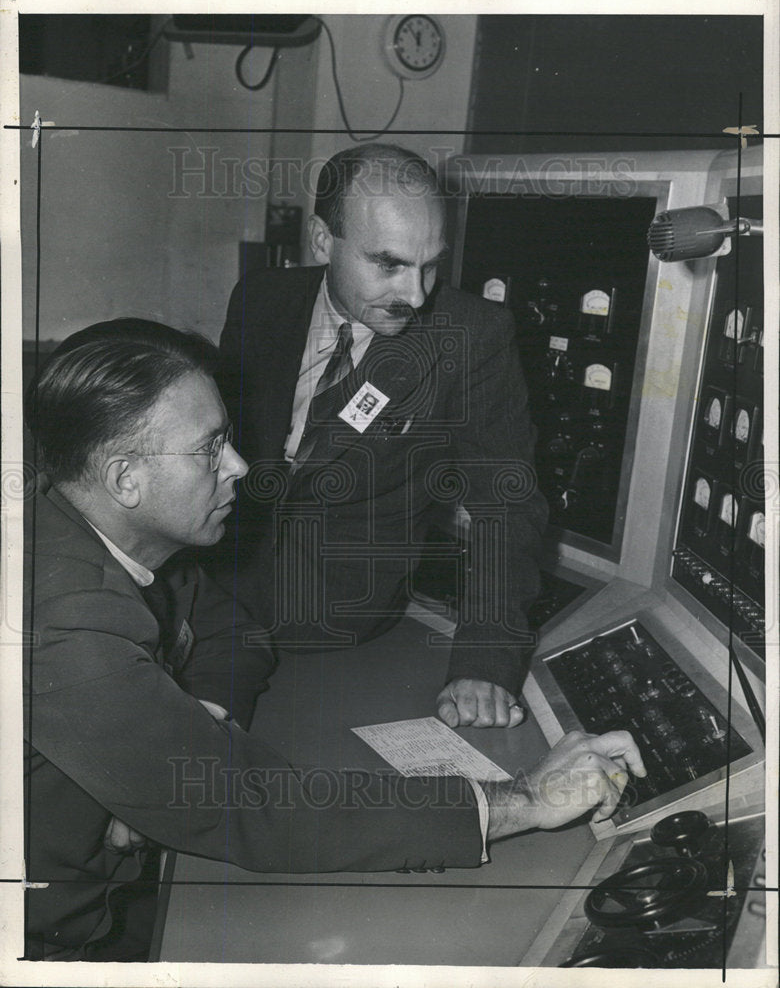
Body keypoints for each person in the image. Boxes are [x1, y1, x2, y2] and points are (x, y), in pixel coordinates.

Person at [23, 317, 645, 961]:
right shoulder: (64, 615)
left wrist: (176, 739)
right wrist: (526, 799)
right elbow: (252, 808)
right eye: (210, 449)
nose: (239, 465)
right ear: (126, 479)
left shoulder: (106, 536)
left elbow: (230, 629)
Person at [218, 143, 549, 730]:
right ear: (322, 241)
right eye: (389, 264)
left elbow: (506, 504)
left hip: (337, 620)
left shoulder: (472, 335)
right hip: (212, 593)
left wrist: (485, 663)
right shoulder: (261, 298)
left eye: (429, 265)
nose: (415, 295)